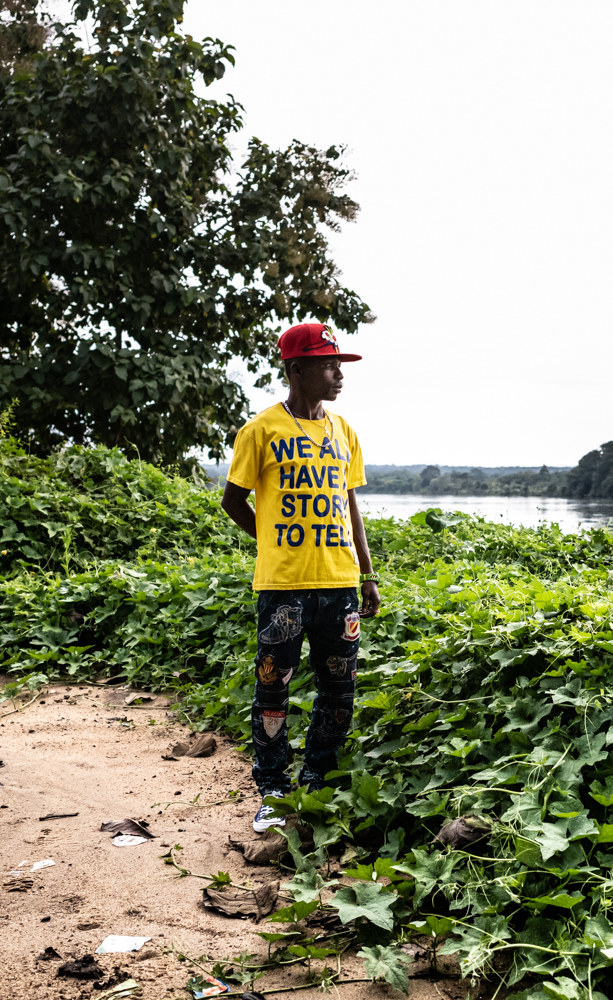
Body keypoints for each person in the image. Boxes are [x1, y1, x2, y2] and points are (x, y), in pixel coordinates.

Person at [220, 322, 381, 833]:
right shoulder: (261, 430)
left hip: (340, 584)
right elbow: (233, 501)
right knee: (273, 692)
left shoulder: (343, 432)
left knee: (340, 691)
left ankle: (316, 784)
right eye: (330, 365)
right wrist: (272, 542)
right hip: (282, 587)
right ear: (296, 369)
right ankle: (272, 791)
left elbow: (350, 505)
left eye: (340, 365)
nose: (339, 376)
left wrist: (368, 573)